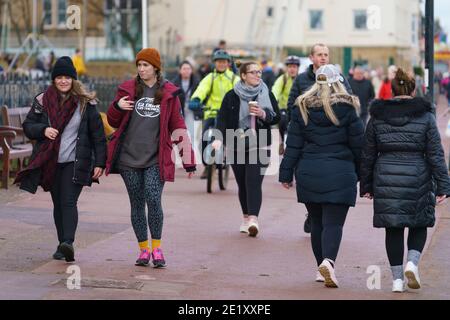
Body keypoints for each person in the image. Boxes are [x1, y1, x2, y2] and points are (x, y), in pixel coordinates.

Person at [360, 68, 450, 293]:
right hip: (418, 175)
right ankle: (412, 262)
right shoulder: (426, 117)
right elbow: (436, 154)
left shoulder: (377, 117)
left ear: (392, 90)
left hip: (386, 176)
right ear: (412, 89)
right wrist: (444, 185)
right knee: (419, 222)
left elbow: (368, 153)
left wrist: (367, 185)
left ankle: (397, 280)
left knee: (393, 228)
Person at [106, 48, 196, 268]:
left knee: (153, 200)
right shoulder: (127, 90)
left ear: (156, 67)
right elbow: (113, 121)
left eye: (146, 65)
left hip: (156, 158)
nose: (141, 69)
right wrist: (117, 107)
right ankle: (143, 250)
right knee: (137, 204)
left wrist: (188, 159)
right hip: (129, 159)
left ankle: (157, 248)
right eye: (139, 65)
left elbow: (178, 127)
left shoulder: (168, 93)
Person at [14, 57, 107, 263]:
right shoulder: (42, 100)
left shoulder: (85, 103)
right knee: (58, 203)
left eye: (67, 77)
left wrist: (100, 162)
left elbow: (98, 136)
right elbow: (28, 126)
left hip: (77, 161)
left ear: (73, 79)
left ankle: (68, 242)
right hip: (51, 161)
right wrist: (43, 129)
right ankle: (61, 245)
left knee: (68, 200)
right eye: (59, 77)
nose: (63, 81)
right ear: (54, 79)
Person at [279, 64, 364, 288]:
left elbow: (293, 145)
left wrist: (286, 173)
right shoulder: (348, 108)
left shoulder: (302, 107)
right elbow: (359, 146)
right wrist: (365, 177)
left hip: (309, 170)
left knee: (316, 222)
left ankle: (321, 267)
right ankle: (329, 262)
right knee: (334, 223)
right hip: (340, 172)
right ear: (339, 82)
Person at [287, 43, 353, 234]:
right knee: (304, 177)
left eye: (326, 54)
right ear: (311, 57)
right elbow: (293, 104)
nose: (323, 57)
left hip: (332, 135)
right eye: (319, 54)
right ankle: (312, 211)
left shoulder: (339, 78)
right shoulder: (301, 79)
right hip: (307, 136)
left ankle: (322, 215)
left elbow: (348, 100)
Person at [214, 61, 280, 237]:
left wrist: (263, 114)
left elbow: (277, 118)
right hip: (236, 142)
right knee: (242, 183)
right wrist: (218, 139)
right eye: (253, 72)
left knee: (253, 180)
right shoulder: (231, 96)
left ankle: (253, 219)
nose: (258, 75)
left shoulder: (266, 93)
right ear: (243, 75)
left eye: (259, 72)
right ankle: (245, 218)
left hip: (260, 144)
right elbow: (222, 118)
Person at [190, 50, 239, 179]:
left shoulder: (234, 78)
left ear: (228, 63)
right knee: (204, 139)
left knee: (229, 137)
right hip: (211, 113)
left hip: (228, 115)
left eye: (224, 62)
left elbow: (240, 92)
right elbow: (201, 89)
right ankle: (207, 165)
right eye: (219, 62)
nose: (221, 64)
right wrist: (196, 99)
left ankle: (226, 156)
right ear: (215, 63)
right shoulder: (210, 77)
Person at [272, 56, 300, 155]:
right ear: (286, 68)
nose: (292, 69)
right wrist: (273, 101)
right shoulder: (282, 79)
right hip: (284, 108)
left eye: (294, 67)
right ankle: (281, 141)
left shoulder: (301, 79)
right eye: (290, 67)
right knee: (283, 121)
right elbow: (275, 91)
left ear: (298, 68)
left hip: (298, 108)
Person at [172, 60, 200, 140]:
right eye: (184, 69)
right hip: (179, 108)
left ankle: (191, 148)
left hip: (191, 108)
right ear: (180, 70)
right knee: (180, 131)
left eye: (188, 68)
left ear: (191, 70)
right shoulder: (175, 82)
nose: (186, 71)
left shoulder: (196, 81)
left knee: (191, 131)